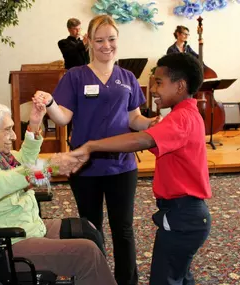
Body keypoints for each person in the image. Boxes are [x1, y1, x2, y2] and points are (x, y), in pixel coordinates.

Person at [34, 14, 160, 285]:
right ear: (89, 41)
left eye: (111, 39)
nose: (106, 45)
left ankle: (127, 282)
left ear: (118, 40)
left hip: (122, 165)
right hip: (85, 165)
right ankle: (98, 279)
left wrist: (153, 122)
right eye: (99, 40)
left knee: (123, 229)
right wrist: (50, 102)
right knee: (90, 229)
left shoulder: (127, 77)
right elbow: (63, 117)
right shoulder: (75, 76)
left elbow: (133, 119)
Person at [67, 53, 212, 285]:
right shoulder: (183, 115)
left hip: (183, 215)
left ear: (180, 85)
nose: (153, 89)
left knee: (165, 279)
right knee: (179, 277)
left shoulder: (182, 118)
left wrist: (91, 145)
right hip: (185, 214)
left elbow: (140, 141)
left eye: (159, 82)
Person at [0, 101, 117, 285]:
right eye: (7, 130)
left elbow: (25, 163)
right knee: (86, 253)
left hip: (23, 226)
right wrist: (47, 168)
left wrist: (34, 124)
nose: (14, 136)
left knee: (86, 229)